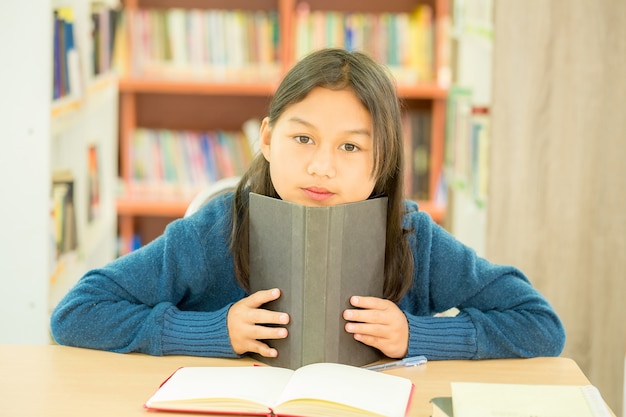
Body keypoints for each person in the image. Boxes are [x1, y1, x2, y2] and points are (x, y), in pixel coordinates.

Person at [50, 48, 565, 361]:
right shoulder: (217, 229)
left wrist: (418, 333)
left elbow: (539, 325)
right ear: (269, 139)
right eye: (303, 140)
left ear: (381, 160)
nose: (323, 166)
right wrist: (213, 330)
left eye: (350, 147)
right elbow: (77, 312)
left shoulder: (411, 235)